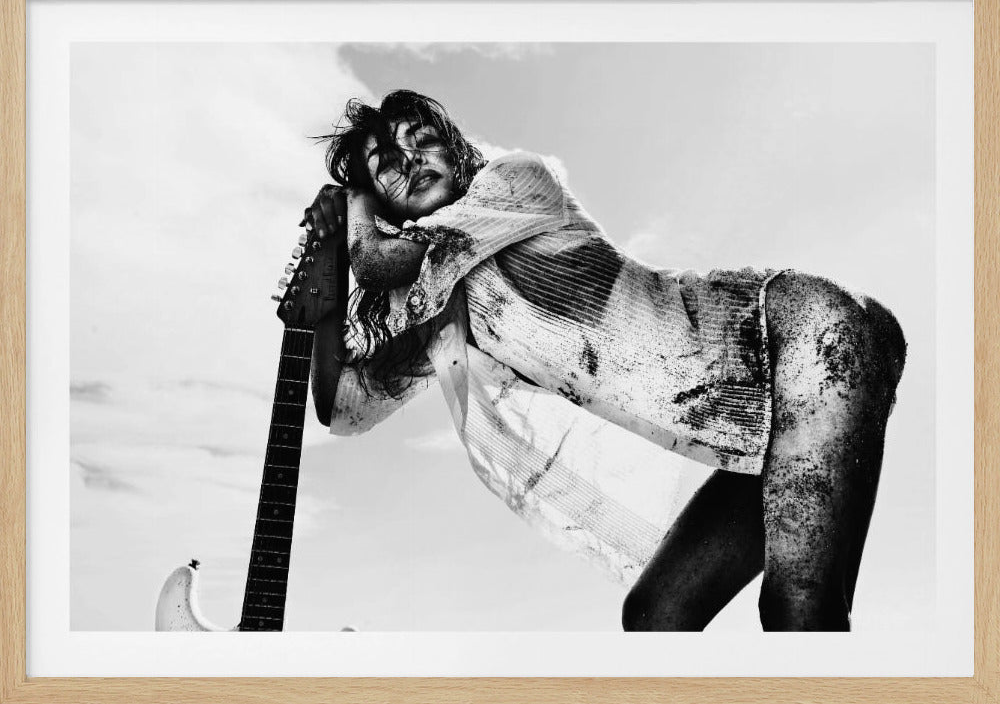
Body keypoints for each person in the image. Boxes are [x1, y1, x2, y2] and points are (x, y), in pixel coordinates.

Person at [305, 90, 907, 632]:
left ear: (457, 146)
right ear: (388, 202)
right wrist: (326, 277)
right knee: (655, 617)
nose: (409, 161)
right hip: (758, 422)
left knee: (800, 607)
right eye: (386, 161)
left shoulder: (514, 183)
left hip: (803, 334)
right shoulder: (440, 312)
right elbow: (345, 408)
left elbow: (378, 262)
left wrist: (354, 196)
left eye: (422, 139)